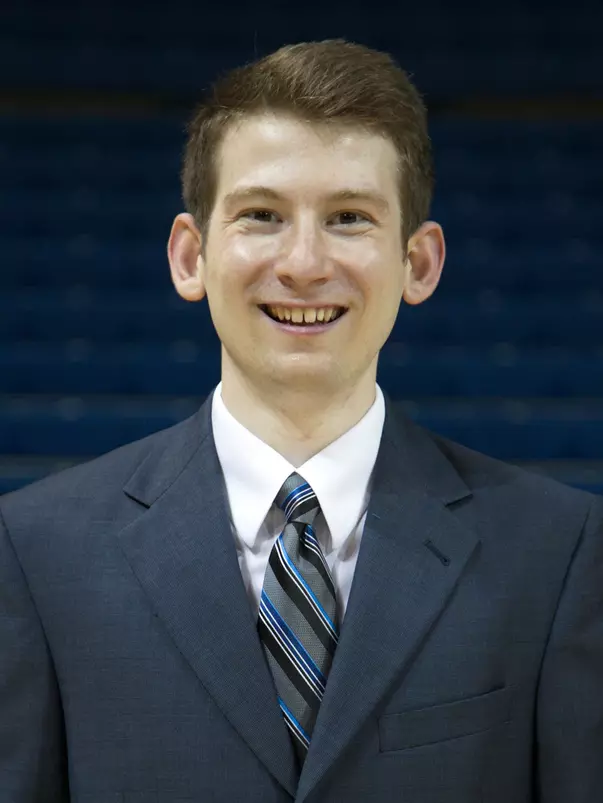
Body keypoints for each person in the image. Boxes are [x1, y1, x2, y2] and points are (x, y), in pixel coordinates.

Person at [0, 39, 601, 803]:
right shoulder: (34, 551)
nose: (304, 263)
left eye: (349, 217)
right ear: (190, 256)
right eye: (261, 215)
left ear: (418, 262)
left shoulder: (559, 555)